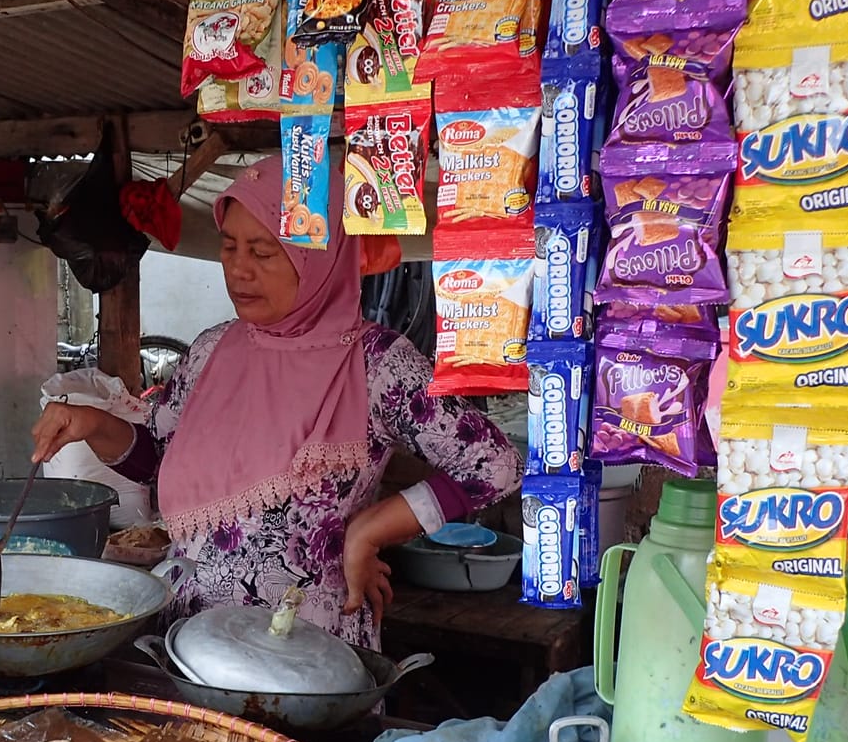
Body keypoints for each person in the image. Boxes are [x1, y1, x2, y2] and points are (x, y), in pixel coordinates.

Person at [31, 156, 520, 646]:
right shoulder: (210, 351)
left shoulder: (376, 365)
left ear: (320, 254)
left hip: (302, 658)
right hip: (185, 639)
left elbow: (493, 464)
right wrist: (92, 423)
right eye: (229, 246)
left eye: (263, 252)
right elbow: (160, 457)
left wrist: (370, 530)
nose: (239, 269)